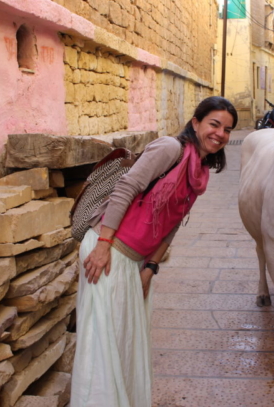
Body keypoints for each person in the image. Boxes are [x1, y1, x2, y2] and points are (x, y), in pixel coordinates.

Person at [71, 96, 238, 407]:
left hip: (132, 263)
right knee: (103, 351)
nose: (220, 134)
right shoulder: (169, 150)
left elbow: (171, 224)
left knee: (125, 346)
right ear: (196, 123)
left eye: (227, 130)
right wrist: (105, 245)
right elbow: (127, 186)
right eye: (214, 124)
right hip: (107, 253)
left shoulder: (198, 173)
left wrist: (151, 268)